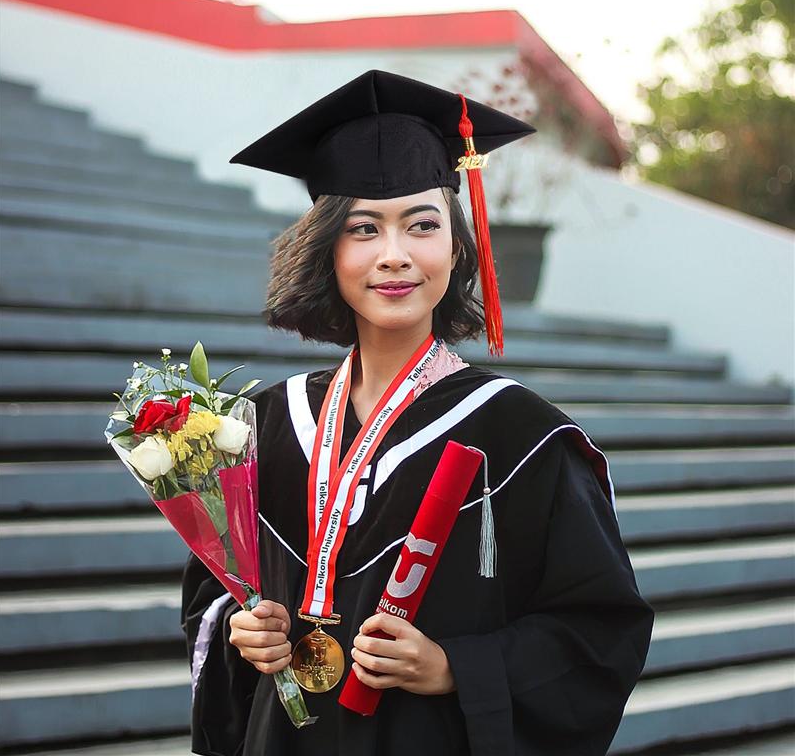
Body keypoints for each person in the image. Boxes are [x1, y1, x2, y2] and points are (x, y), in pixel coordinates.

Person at [180, 69, 655, 756]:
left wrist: (456, 667)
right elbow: (212, 590)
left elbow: (601, 631)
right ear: (330, 251)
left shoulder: (522, 435)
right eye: (364, 229)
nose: (395, 255)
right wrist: (237, 626)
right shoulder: (261, 424)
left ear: (458, 246)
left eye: (422, 224)